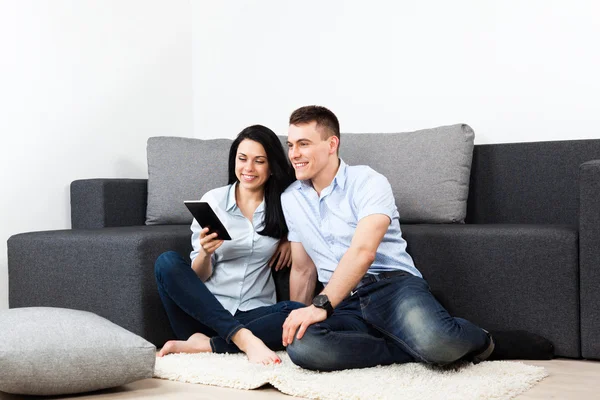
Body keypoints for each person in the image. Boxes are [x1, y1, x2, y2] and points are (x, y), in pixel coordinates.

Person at [280, 106, 553, 371]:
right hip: (344, 302)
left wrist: (321, 305)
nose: (294, 154)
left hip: (392, 288)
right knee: (303, 347)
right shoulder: (291, 198)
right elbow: (303, 270)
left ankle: (483, 340)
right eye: (291, 145)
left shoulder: (367, 181)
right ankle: (416, 346)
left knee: (440, 342)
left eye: (303, 144)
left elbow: (363, 252)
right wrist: (298, 317)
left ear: (331, 144)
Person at [154, 125, 304, 365]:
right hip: (204, 314)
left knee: (297, 312)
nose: (248, 168)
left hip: (254, 314)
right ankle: (244, 340)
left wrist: (288, 238)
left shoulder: (284, 206)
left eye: (259, 161)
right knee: (166, 262)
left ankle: (208, 345)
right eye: (242, 158)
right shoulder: (213, 201)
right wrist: (204, 253)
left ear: (272, 167)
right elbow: (197, 277)